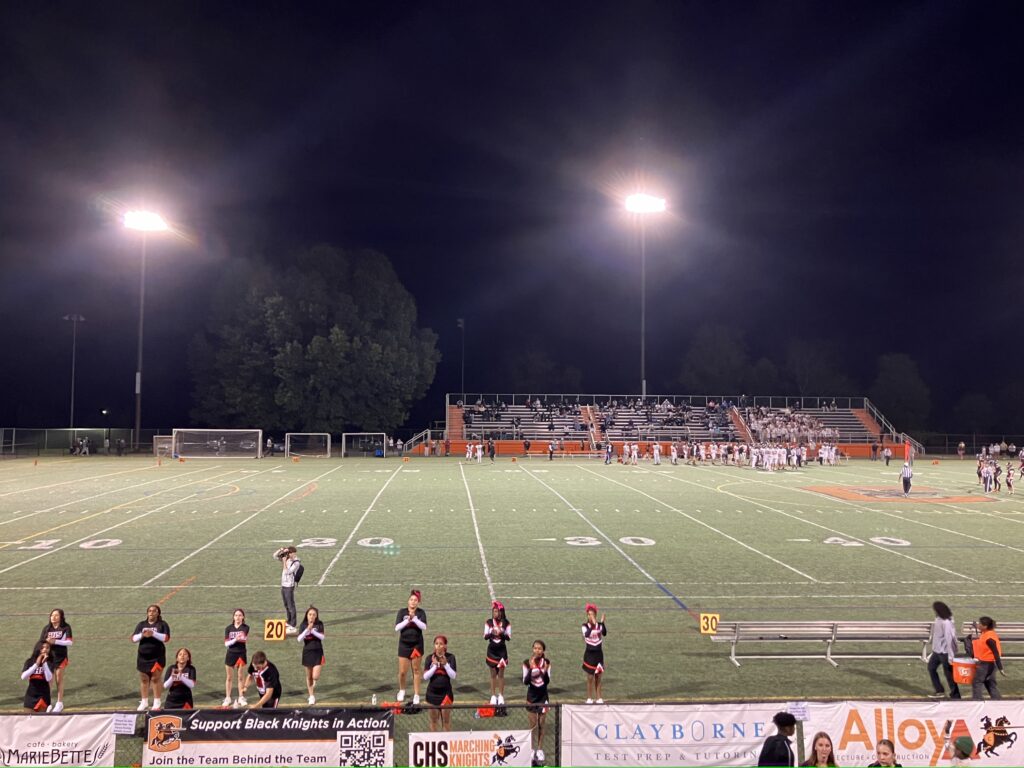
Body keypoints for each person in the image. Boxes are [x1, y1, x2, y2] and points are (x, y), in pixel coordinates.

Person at [132, 604, 170, 711]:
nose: (152, 612)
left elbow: (166, 638)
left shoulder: (162, 624)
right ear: (147, 613)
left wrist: (153, 633)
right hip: (143, 656)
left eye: (154, 611)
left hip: (157, 656)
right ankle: (144, 702)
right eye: (150, 611)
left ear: (158, 613)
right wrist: (143, 635)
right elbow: (133, 638)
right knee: (144, 679)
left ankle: (156, 702)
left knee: (155, 678)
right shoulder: (141, 624)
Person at [395, 589, 427, 705]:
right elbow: (397, 628)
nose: (413, 602)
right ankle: (402, 690)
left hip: (417, 645)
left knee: (416, 670)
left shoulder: (421, 613)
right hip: (404, 645)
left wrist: (415, 619)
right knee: (403, 672)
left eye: (415, 600)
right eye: (411, 600)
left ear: (418, 602)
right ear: (408, 601)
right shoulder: (402, 612)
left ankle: (417, 694)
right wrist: (407, 620)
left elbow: (424, 627)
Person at [523, 639, 551, 766]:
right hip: (532, 696)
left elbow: (547, 681)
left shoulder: (547, 662)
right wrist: (532, 668)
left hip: (543, 696)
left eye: (539, 648)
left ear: (543, 650)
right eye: (535, 648)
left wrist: (543, 670)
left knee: (541, 723)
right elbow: (526, 681)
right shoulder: (526, 663)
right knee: (533, 724)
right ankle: (532, 748)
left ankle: (540, 749)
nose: (537, 650)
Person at [40, 608, 72, 712]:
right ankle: (48, 703)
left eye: (56, 615)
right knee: (49, 680)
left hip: (60, 657)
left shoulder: (66, 627)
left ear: (61, 617)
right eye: (52, 615)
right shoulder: (47, 628)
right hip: (49, 658)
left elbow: (69, 642)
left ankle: (59, 703)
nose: (53, 617)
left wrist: (55, 641)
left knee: (59, 679)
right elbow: (41, 642)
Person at [423, 635, 456, 731]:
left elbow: (453, 675)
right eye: (436, 644)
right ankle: (435, 744)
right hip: (432, 694)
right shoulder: (430, 658)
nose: (438, 646)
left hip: (446, 694)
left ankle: (446, 743)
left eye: (441, 644)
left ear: (445, 646)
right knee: (433, 721)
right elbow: (425, 677)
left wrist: (446, 664)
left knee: (446, 721)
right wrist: (434, 666)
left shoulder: (450, 657)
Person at [927, 601, 960, 699]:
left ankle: (956, 695)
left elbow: (949, 639)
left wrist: (951, 656)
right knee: (931, 668)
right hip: (937, 651)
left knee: (949, 675)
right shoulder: (938, 619)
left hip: (945, 653)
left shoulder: (946, 622)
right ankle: (939, 690)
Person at [484, 600, 511, 706]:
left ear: (502, 612)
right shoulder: (489, 622)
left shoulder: (506, 622)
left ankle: (501, 695)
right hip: (491, 651)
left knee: (501, 675)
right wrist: (492, 632)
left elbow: (508, 637)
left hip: (502, 652)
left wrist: (502, 632)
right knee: (493, 675)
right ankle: (493, 695)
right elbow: (485, 636)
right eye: (494, 611)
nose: (496, 613)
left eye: (498, 611)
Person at [297, 605, 325, 705]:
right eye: (310, 614)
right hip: (307, 652)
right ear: (307, 615)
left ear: (316, 616)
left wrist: (312, 630)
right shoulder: (303, 625)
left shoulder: (319, 624)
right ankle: (311, 696)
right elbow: (299, 639)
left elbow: (322, 637)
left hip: (318, 651)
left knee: (315, 676)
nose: (312, 616)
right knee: (309, 676)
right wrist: (307, 630)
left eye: (314, 614)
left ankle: (314, 682)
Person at [971, 616, 1004, 699]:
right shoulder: (988, 632)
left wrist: (1000, 668)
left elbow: (996, 653)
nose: (978, 625)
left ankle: (977, 703)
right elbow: (981, 632)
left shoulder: (989, 638)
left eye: (979, 624)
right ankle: (998, 703)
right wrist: (975, 626)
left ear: (985, 626)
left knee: (977, 682)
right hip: (991, 664)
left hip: (985, 664)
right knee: (990, 684)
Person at [223, 608, 250, 707]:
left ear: (243, 617)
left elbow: (243, 639)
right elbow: (226, 644)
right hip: (230, 654)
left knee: (240, 677)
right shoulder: (228, 628)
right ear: (233, 617)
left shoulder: (246, 627)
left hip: (241, 654)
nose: (238, 617)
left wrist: (235, 640)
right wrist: (235, 639)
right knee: (229, 677)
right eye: (236, 615)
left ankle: (241, 697)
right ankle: (228, 697)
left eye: (240, 615)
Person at [581, 603, 607, 704]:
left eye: (592, 614)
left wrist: (602, 623)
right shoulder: (584, 626)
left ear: (595, 615)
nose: (590, 616)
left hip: (598, 654)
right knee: (590, 677)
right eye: (589, 614)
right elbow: (587, 634)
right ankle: (589, 697)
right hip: (589, 654)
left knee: (598, 676)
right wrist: (593, 625)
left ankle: (599, 697)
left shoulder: (599, 625)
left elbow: (604, 632)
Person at [275, 546, 301, 634]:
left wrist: (283, 562)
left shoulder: (296, 562)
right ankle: (289, 621)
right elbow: (274, 556)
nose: (288, 554)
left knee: (291, 605)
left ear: (293, 553)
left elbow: (288, 572)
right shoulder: (287, 559)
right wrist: (281, 550)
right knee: (286, 604)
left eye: (289, 553)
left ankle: (293, 625)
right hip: (283, 584)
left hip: (289, 586)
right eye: (288, 553)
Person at [21, 641, 53, 712]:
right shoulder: (29, 661)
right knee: (28, 719)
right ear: (38, 648)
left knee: (42, 720)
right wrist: (36, 664)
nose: (45, 649)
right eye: (42, 647)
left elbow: (48, 678)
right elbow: (23, 677)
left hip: (44, 696)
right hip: (31, 695)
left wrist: (44, 663)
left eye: (47, 648)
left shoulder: (50, 662)